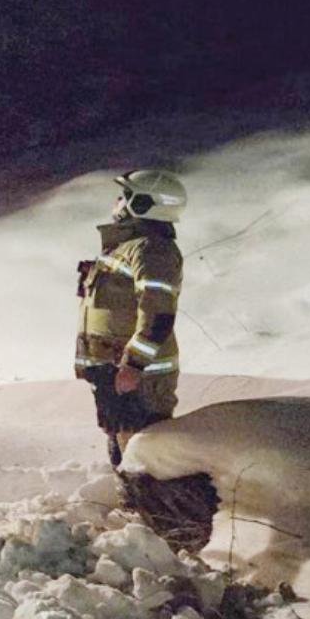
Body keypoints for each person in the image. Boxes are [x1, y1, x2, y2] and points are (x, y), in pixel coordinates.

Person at [75, 169, 186, 469]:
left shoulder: (153, 250)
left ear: (143, 203)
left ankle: (157, 514)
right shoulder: (131, 246)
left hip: (140, 379)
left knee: (145, 455)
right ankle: (135, 508)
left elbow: (158, 314)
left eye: (125, 195)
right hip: (116, 371)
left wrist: (134, 364)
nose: (117, 201)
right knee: (124, 450)